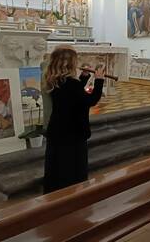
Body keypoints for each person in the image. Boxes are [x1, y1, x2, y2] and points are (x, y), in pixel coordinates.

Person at [42, 45, 104, 194]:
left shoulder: (54, 81)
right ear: (70, 63)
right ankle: (71, 197)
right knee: (72, 169)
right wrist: (99, 80)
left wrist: (84, 77)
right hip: (72, 133)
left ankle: (53, 195)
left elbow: (73, 97)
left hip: (57, 130)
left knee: (57, 166)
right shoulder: (71, 84)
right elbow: (90, 101)